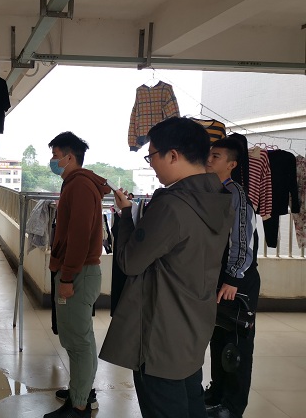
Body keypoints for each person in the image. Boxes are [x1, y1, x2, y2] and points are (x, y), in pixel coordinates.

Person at [99, 117, 233, 418]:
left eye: (152, 156)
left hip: (160, 334)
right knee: (191, 404)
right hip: (192, 326)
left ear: (173, 155)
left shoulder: (172, 204)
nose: (152, 165)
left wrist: (125, 215)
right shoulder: (218, 199)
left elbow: (131, 261)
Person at [44, 132, 109, 418]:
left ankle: (79, 405)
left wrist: (68, 277)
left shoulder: (79, 186)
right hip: (80, 271)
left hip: (79, 274)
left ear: (70, 157)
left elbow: (79, 236)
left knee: (78, 343)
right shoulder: (76, 183)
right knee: (80, 339)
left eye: (56, 156)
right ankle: (81, 390)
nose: (53, 161)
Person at [205, 138, 260, 418]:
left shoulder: (235, 194)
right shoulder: (213, 191)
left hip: (237, 280)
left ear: (232, 164)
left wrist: (233, 278)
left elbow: (242, 239)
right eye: (209, 155)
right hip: (220, 278)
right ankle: (217, 393)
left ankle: (232, 406)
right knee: (218, 338)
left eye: (216, 156)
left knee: (236, 344)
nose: (209, 160)